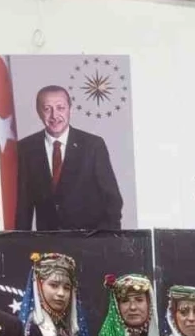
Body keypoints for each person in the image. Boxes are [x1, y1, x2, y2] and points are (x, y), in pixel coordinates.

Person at [14, 84, 123, 231]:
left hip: (88, 239)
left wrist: (106, 238)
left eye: (60, 108)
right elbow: (23, 206)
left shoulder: (93, 145)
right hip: (47, 241)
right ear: (39, 112)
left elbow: (112, 200)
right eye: (47, 109)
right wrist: (20, 241)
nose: (54, 115)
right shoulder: (26, 148)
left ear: (70, 109)